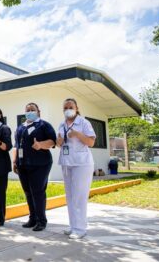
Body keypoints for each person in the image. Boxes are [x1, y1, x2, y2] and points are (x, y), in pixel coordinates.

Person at [56, 98, 96, 239]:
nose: (68, 109)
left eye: (70, 106)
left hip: (82, 163)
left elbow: (91, 141)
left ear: (76, 108)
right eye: (65, 107)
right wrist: (59, 141)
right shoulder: (62, 124)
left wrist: (77, 134)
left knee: (79, 196)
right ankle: (73, 226)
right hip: (67, 163)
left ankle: (80, 229)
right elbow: (59, 143)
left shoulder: (84, 122)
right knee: (70, 196)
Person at [13, 103, 56, 231]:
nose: (30, 112)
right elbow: (16, 145)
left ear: (38, 112)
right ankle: (32, 218)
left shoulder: (43, 125)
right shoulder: (21, 127)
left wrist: (41, 144)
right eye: (28, 110)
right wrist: (15, 161)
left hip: (40, 164)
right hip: (23, 165)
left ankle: (41, 220)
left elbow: (53, 141)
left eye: (33, 110)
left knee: (38, 192)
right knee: (28, 192)